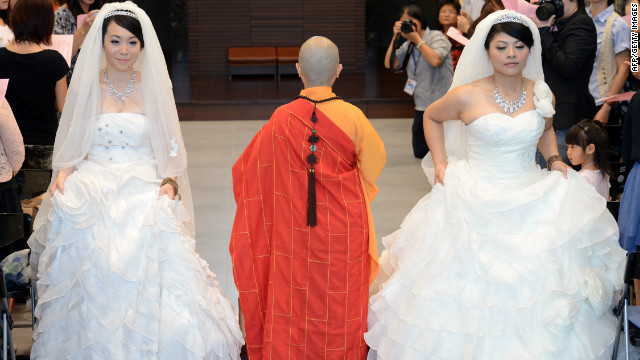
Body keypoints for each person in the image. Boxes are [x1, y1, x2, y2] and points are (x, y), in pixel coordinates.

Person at [365, 10, 625, 359]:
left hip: (529, 190)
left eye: (519, 46)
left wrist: (553, 160)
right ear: (487, 51)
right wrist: (441, 163)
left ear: (530, 51)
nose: (511, 54)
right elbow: (431, 116)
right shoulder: (468, 94)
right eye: (502, 47)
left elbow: (546, 131)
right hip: (475, 192)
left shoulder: (540, 92)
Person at [26, 2, 243, 359]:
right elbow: (73, 145)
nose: (123, 51)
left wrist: (169, 183)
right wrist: (62, 174)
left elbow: (169, 151)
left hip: (144, 182)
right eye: (115, 41)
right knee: (79, 227)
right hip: (94, 181)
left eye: (131, 42)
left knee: (153, 224)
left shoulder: (154, 87)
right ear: (101, 43)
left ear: (142, 47)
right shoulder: (86, 86)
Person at [230, 36, 386, 360]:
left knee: (294, 297)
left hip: (292, 229)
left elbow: (247, 171)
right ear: (338, 71)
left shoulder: (280, 119)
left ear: (298, 70)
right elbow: (374, 165)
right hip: (345, 228)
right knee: (340, 300)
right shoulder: (354, 117)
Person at [0, 0, 68, 169]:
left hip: (6, 146)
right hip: (45, 149)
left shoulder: (0, 58)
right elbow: (63, 107)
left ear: (15, 18)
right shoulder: (55, 60)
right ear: (46, 22)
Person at [533, 0, 598, 166]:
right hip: (548, 114)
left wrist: (544, 31)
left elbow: (569, 67)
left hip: (565, 119)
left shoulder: (582, 23)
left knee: (554, 177)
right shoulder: (558, 23)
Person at [385, 5, 453, 159]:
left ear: (420, 21)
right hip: (422, 104)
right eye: (404, 22)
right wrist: (394, 37)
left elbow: (435, 60)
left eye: (410, 21)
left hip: (442, 104)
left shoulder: (436, 37)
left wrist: (418, 40)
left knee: (445, 152)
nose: (408, 24)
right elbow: (390, 64)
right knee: (420, 152)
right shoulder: (408, 44)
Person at [587, 0, 630, 124]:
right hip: (579, 99)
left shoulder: (618, 23)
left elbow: (624, 69)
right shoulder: (580, 18)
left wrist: (607, 106)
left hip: (602, 99)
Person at [54, 0, 103, 84]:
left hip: (95, 80)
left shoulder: (100, 12)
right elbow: (59, 61)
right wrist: (83, 30)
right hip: (71, 84)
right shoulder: (60, 15)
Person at [566, 119, 611, 199]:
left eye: (573, 147)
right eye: (567, 147)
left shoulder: (582, 178)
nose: (568, 152)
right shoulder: (604, 173)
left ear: (590, 149)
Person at [437, 0, 464, 70]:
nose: (446, 15)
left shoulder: (463, 36)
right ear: (438, 16)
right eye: (443, 12)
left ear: (458, 15)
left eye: (451, 12)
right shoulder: (435, 37)